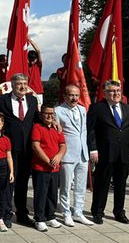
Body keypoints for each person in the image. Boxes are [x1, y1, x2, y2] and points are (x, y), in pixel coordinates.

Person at [0, 73, 39, 227]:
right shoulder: (2, 100)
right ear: (12, 85)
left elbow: (36, 119)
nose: (22, 86)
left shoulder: (32, 100)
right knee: (8, 183)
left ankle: (22, 214)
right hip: (9, 151)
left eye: (25, 83)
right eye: (19, 84)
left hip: (27, 150)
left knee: (23, 184)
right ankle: (5, 215)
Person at [87, 79, 129, 225]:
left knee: (121, 185)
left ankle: (119, 212)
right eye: (111, 91)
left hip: (123, 154)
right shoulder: (97, 108)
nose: (115, 93)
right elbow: (91, 131)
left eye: (117, 91)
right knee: (102, 184)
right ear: (105, 93)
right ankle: (97, 212)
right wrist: (93, 149)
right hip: (105, 154)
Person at [55, 85, 94, 226]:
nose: (74, 98)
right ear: (65, 96)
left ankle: (78, 212)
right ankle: (66, 214)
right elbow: (56, 134)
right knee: (65, 187)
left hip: (83, 154)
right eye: (71, 95)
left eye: (77, 95)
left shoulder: (83, 109)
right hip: (67, 155)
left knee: (80, 186)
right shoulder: (58, 111)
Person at [31, 105, 66, 232]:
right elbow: (36, 146)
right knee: (41, 194)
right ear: (41, 114)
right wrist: (48, 161)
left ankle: (51, 216)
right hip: (41, 167)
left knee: (52, 193)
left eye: (52, 113)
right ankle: (39, 219)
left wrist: (58, 157)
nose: (49, 116)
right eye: (46, 113)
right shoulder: (37, 127)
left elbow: (63, 145)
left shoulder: (57, 129)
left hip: (55, 168)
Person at [27, 39, 44, 107]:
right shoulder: (25, 66)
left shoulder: (37, 65)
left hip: (38, 91)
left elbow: (38, 51)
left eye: (33, 59)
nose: (32, 61)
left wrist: (29, 40)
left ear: (36, 59)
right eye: (30, 59)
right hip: (28, 91)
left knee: (39, 110)